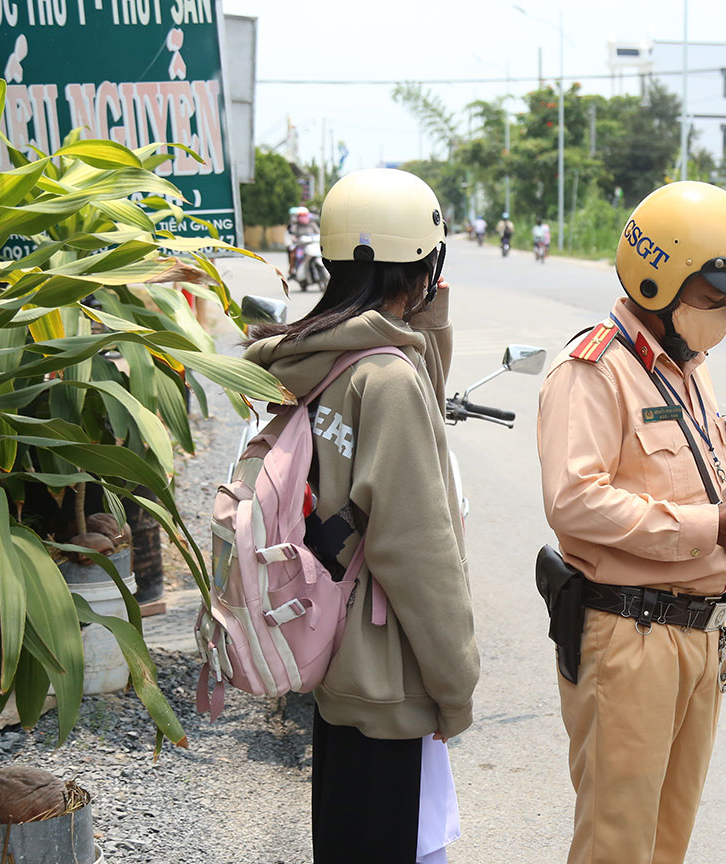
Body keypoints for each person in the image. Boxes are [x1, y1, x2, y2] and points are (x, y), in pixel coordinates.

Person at [536, 181, 726, 864]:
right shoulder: (595, 370)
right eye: (713, 299)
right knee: (618, 843)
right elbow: (574, 501)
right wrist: (713, 527)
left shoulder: (690, 368)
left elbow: (708, 480)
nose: (721, 316)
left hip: (697, 635)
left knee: (668, 843)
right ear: (658, 281)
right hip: (630, 638)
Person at [245, 169, 478, 862]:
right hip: (388, 675)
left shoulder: (318, 359)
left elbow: (409, 396)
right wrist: (456, 683)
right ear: (424, 267)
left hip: (330, 645)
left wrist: (425, 318)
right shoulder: (388, 381)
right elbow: (417, 552)